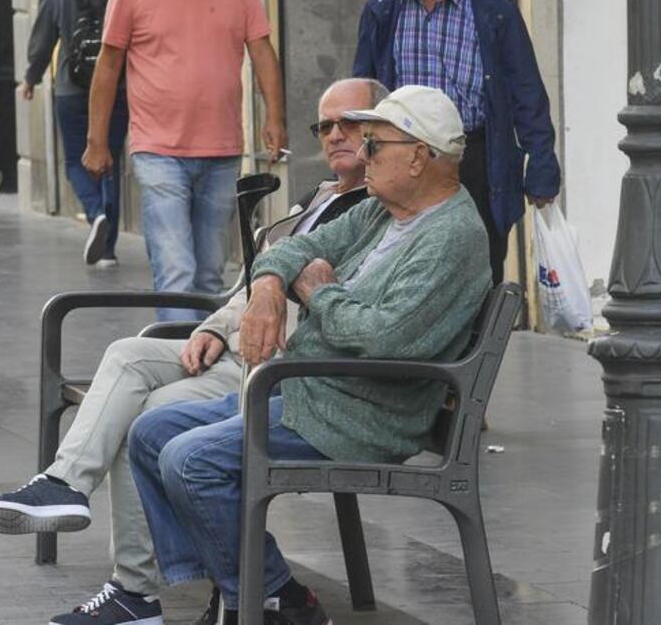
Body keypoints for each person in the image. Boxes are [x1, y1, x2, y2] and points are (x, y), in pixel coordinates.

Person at [0, 78, 386, 625]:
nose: (334, 135)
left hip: (278, 367)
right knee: (126, 352)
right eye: (324, 125)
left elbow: (341, 307)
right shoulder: (314, 199)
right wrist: (212, 328)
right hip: (234, 347)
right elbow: (247, 285)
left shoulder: (378, 212)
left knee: (145, 418)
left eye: (349, 123)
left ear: (388, 128)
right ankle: (63, 484)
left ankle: (133, 594)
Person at [127, 86, 492, 624]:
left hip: (360, 413)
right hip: (307, 390)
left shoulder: (452, 236)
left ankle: (264, 595)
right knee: (150, 433)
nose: (362, 155)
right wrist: (272, 286)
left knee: (190, 461)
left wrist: (319, 292)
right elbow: (297, 247)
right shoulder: (381, 211)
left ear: (419, 157)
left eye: (375, 144)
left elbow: (384, 339)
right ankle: (250, 592)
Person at [82, 0, 287, 321]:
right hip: (157, 148)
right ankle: (179, 362)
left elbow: (261, 50)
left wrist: (275, 117)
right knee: (176, 270)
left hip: (222, 148)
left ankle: (204, 365)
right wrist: (97, 142)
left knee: (210, 276)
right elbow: (109, 62)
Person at [353, 0, 560, 284]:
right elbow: (363, 94)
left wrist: (542, 166)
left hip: (477, 162)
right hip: (404, 162)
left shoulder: (494, 10)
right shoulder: (382, 11)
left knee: (477, 277)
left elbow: (527, 95)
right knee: (408, 273)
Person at [23, 0, 126, 267]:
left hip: (70, 87)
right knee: (110, 160)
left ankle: (95, 212)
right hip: (116, 86)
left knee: (74, 161)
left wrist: (31, 78)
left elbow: (43, 41)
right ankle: (107, 249)